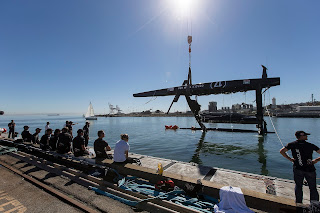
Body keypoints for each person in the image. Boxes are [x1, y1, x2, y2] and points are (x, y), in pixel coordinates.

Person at [280, 131, 320, 204]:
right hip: (310, 169)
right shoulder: (310, 145)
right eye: (305, 135)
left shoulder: (291, 144)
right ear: (302, 136)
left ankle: (298, 204)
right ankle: (315, 206)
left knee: (298, 187)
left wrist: (290, 159)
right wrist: (316, 160)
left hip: (298, 169)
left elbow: (282, 151)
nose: (307, 136)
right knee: (313, 188)